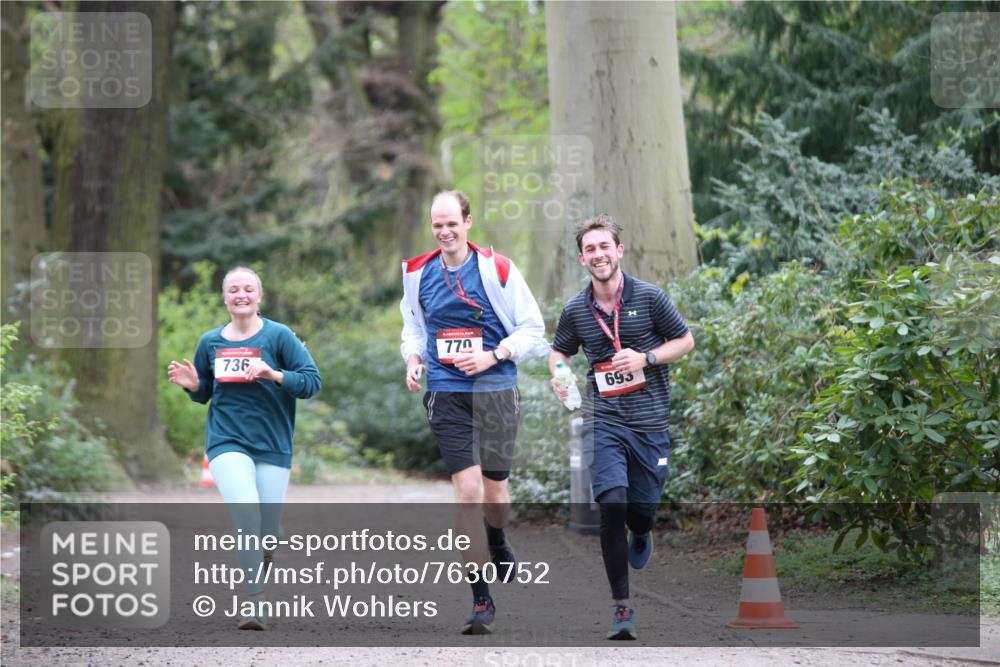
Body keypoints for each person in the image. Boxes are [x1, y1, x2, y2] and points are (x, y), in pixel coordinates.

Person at [400, 190, 548, 635]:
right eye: (437, 224)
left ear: (468, 222)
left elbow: (535, 332)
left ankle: (498, 538)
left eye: (452, 223)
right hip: (446, 393)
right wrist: (413, 360)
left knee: (495, 496)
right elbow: (413, 327)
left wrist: (493, 354)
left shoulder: (496, 269)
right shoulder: (416, 274)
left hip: (496, 389)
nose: (444, 231)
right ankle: (481, 600)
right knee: (467, 493)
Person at [549, 215, 694, 640]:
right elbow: (559, 354)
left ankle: (644, 529)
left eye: (604, 246)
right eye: (590, 249)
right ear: (582, 258)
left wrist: (645, 358)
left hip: (649, 424)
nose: (598, 255)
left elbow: (685, 341)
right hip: (604, 421)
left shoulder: (650, 298)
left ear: (619, 251)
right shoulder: (576, 309)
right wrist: (562, 377)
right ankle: (622, 609)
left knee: (641, 510)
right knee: (611, 504)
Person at [167, 266, 321, 631]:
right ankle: (254, 603)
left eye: (248, 289)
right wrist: (193, 385)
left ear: (259, 296)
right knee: (247, 516)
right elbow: (206, 392)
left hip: (272, 443)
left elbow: (312, 382)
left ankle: (266, 551)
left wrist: (274, 374)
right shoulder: (210, 341)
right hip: (226, 441)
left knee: (267, 531)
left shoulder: (280, 336)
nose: (241, 295)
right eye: (233, 289)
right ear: (224, 297)